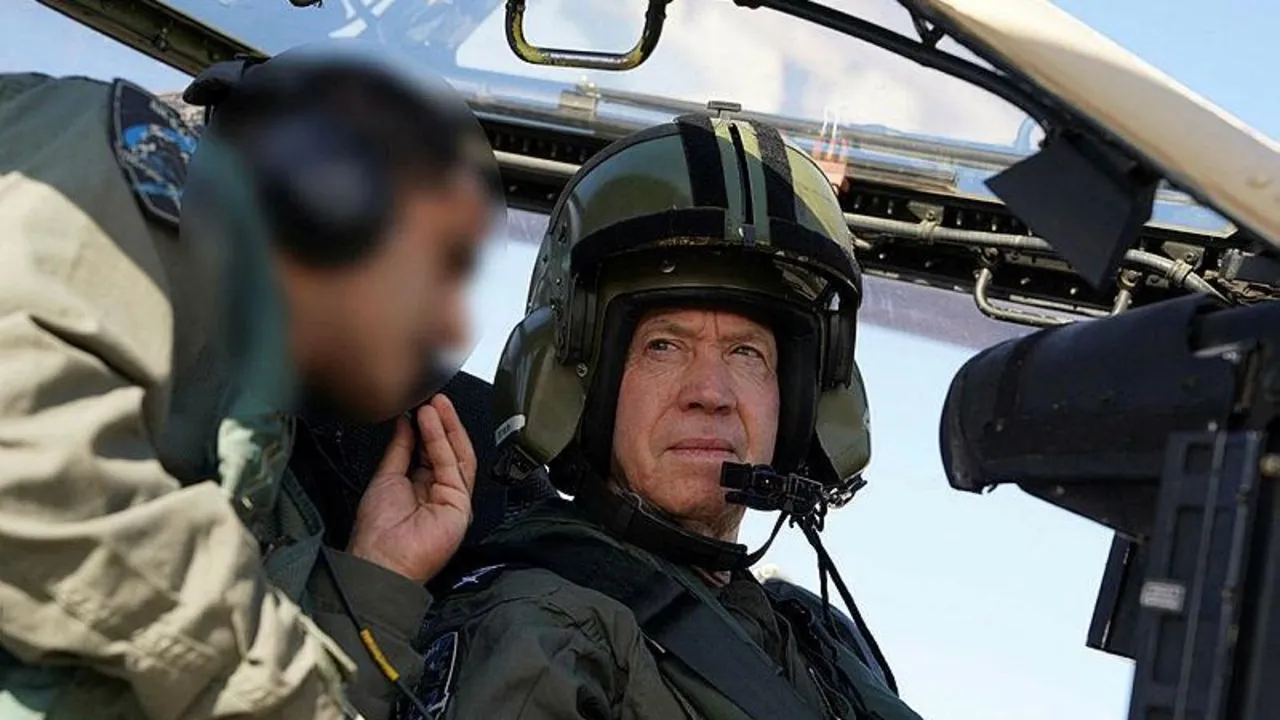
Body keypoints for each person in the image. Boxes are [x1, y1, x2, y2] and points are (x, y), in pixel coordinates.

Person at [0, 47, 495, 720]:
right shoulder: (135, 166)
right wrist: (286, 696)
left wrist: (376, 576)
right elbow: (34, 466)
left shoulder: (269, 469)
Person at [404, 114, 926, 719]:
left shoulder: (817, 646)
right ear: (577, 382)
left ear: (803, 402)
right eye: (664, 346)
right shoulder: (546, 629)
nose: (711, 393)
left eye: (747, 354)